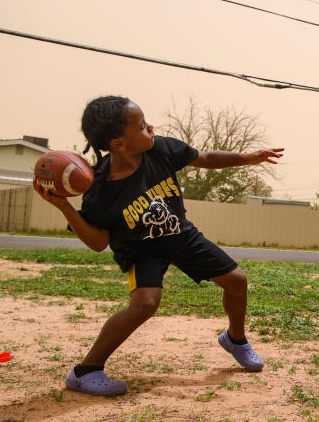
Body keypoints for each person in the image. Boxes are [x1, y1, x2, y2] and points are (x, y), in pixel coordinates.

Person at [34, 95, 284, 396]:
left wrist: (248, 157)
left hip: (181, 236)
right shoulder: (100, 189)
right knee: (145, 304)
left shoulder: (161, 149)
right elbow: (99, 242)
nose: (150, 127)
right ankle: (85, 371)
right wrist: (65, 207)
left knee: (237, 282)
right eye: (141, 126)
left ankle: (236, 339)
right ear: (119, 144)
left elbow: (204, 158)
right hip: (142, 250)